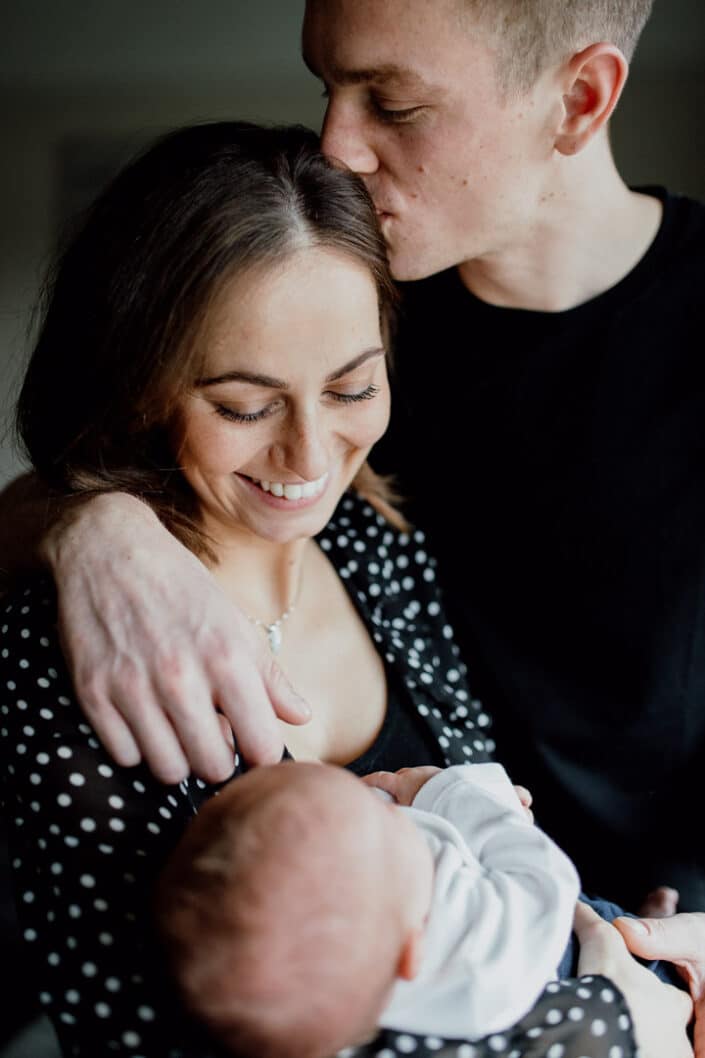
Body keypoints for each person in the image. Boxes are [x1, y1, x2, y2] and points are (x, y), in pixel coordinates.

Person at [1, 120, 681, 1058]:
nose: (309, 459)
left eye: (354, 389)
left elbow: (479, 865)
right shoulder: (71, 657)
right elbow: (153, 1039)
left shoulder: (373, 541)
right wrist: (610, 1021)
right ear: (138, 388)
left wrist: (614, 942)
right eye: (244, 405)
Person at [155, 758, 692, 1058]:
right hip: (610, 975)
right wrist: (448, 791)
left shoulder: (339, 984)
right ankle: (655, 938)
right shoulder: (473, 951)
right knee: (608, 923)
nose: (386, 810)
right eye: (393, 828)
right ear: (416, 951)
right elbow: (543, 879)